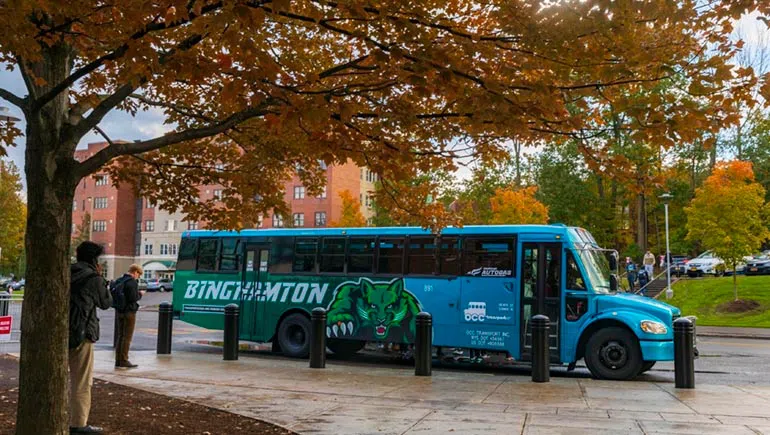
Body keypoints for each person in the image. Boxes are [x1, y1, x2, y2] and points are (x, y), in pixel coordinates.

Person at [69, 241, 112, 434]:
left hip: (61, 331)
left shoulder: (67, 272)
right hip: (82, 333)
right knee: (82, 381)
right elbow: (106, 302)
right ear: (95, 259)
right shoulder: (92, 278)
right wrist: (102, 279)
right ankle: (78, 424)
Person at [114, 264, 145, 369]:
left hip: (119, 311)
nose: (138, 277)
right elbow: (133, 298)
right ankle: (124, 360)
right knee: (127, 337)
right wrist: (140, 294)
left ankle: (118, 360)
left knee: (120, 336)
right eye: (138, 275)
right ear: (135, 272)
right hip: (129, 312)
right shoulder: (132, 282)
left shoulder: (120, 280)